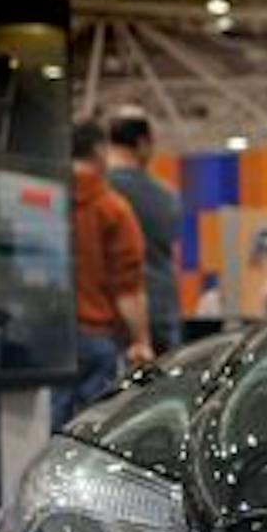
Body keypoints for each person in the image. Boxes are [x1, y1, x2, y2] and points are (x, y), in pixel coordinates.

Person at [58, 121, 152, 431]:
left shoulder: (45, 203)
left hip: (49, 340)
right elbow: (128, 287)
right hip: (97, 336)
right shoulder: (112, 209)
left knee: (50, 432)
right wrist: (141, 340)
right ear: (99, 151)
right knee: (92, 434)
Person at [105, 110, 183, 353]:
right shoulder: (166, 196)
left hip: (110, 315)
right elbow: (173, 254)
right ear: (142, 144)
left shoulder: (98, 192)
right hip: (159, 311)